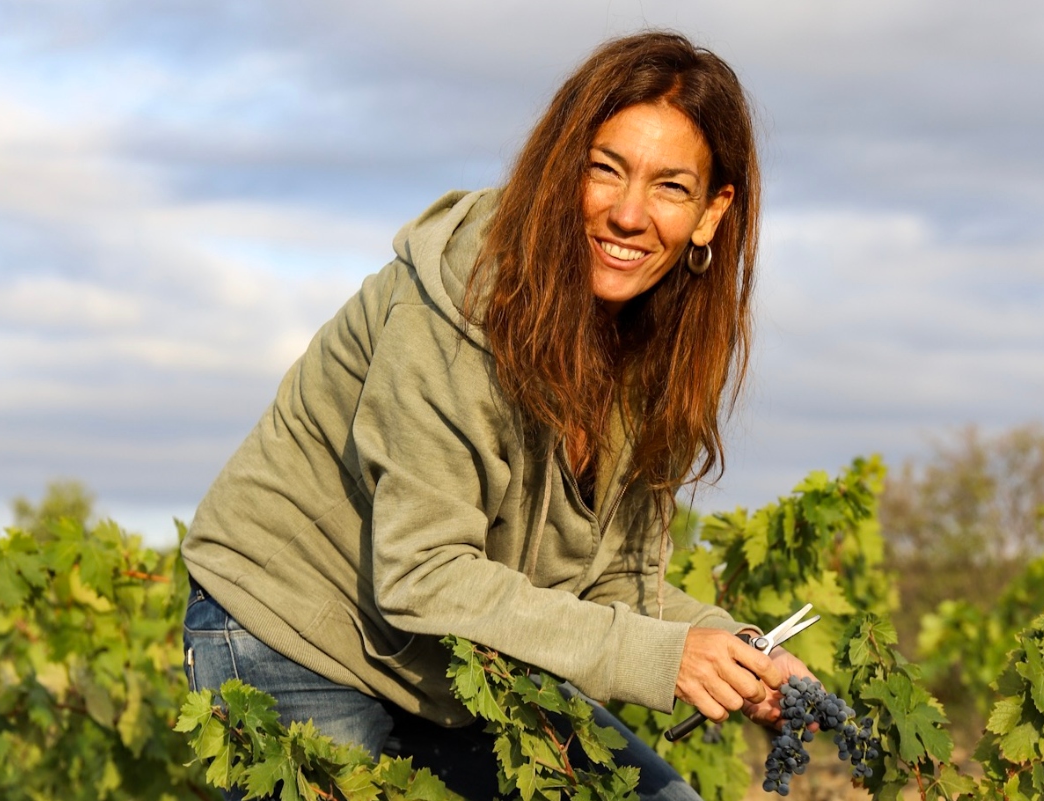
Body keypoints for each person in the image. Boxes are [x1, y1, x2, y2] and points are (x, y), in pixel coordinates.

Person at [181, 31, 817, 800]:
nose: (627, 213)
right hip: (294, 631)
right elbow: (422, 573)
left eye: (670, 188)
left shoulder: (657, 346)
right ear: (561, 168)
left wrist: (736, 654)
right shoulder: (462, 301)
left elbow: (608, 586)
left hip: (447, 658)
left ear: (712, 214)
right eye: (604, 170)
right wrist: (662, 657)